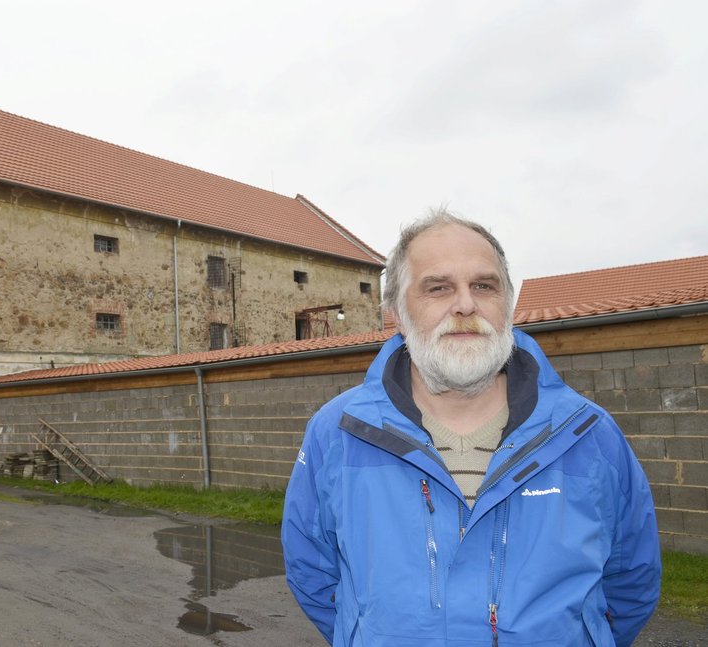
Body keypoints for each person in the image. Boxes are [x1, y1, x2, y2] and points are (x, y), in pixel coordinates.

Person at [281, 208, 661, 647]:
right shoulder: (338, 433)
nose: (465, 304)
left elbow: (630, 580)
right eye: (438, 288)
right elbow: (313, 574)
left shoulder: (589, 433)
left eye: (484, 285)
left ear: (509, 306)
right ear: (398, 315)